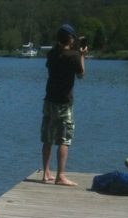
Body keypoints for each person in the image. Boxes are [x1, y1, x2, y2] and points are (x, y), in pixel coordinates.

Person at [41, 24, 87, 186]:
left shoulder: (52, 54)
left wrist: (74, 47)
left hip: (49, 100)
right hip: (64, 103)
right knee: (64, 140)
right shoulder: (73, 56)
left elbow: (59, 52)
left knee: (47, 138)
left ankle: (46, 173)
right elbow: (81, 74)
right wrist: (82, 55)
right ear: (71, 39)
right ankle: (60, 175)